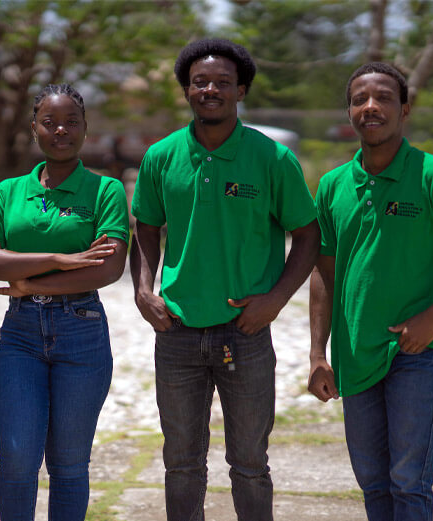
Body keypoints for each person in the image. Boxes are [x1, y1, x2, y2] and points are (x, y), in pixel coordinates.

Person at [130, 39, 320, 521]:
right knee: (181, 464)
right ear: (187, 90)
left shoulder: (273, 159)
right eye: (200, 82)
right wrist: (144, 290)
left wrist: (274, 301)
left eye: (222, 82)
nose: (210, 89)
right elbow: (145, 229)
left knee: (251, 464)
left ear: (241, 91)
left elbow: (307, 235)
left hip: (247, 333)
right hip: (176, 331)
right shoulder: (161, 156)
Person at [308, 62, 433, 521]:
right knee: (373, 482)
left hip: (419, 353)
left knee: (408, 482)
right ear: (350, 111)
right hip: (355, 355)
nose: (370, 107)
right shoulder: (333, 185)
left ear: (405, 109)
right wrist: (319, 352)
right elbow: (323, 272)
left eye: (383, 98)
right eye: (359, 99)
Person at [0, 84, 128, 521]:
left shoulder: (105, 191)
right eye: (50, 122)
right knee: (18, 461)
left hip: (82, 330)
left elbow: (108, 269)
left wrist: (26, 281)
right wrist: (58, 260)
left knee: (69, 466)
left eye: (71, 122)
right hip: (20, 335)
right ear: (34, 127)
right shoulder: (8, 192)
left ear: (85, 128)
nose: (61, 130)